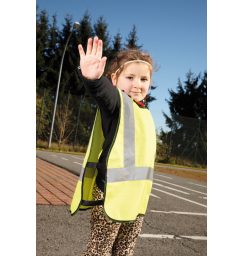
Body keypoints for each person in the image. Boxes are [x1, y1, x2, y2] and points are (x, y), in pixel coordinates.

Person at [70, 36, 157, 255]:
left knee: (125, 250)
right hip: (109, 194)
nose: (137, 84)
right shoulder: (117, 103)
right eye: (130, 77)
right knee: (99, 250)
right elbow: (103, 93)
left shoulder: (144, 113)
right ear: (114, 80)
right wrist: (93, 80)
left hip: (135, 199)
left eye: (144, 79)